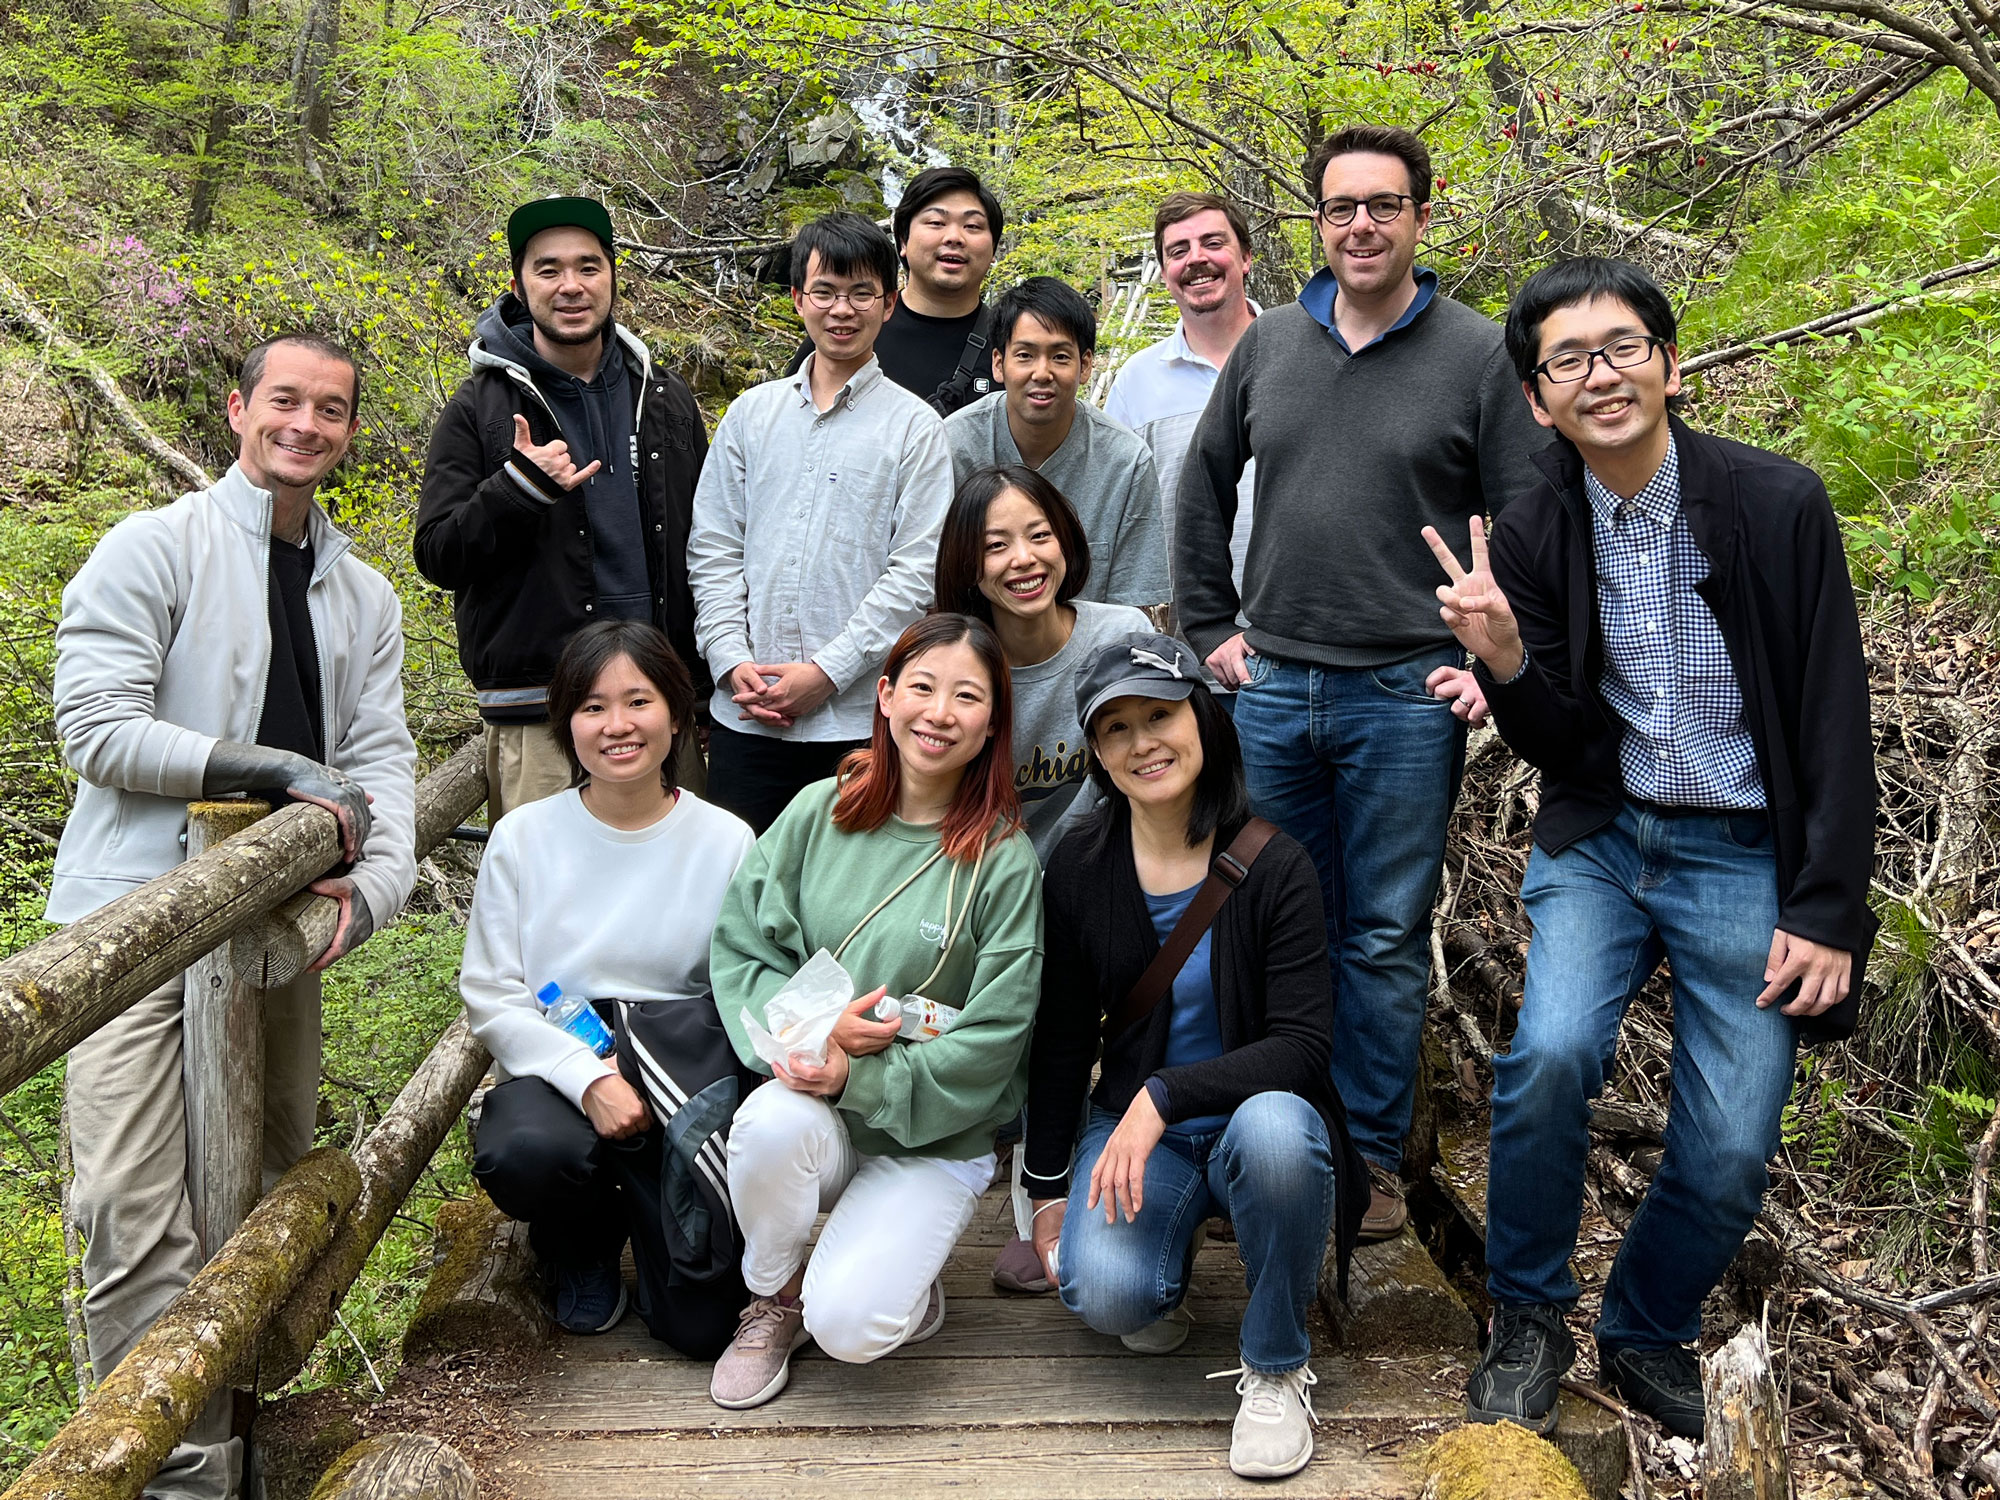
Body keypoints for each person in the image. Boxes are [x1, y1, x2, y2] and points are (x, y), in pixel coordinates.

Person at [1429, 257, 1877, 1439]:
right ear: (1536, 400)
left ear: (1668, 365)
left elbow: (1830, 711)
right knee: (1548, 1059)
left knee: (1729, 1145)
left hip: (1743, 850)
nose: (1599, 375)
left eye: (1621, 347)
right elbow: (1562, 743)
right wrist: (1504, 658)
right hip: (1604, 838)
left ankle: (1642, 1325)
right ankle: (1527, 1314)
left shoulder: (1774, 504)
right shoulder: (1534, 528)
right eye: (1567, 360)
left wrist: (1827, 907)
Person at [51, 334, 417, 1500]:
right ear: (237, 409)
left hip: (274, 936)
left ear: (349, 430)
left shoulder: (361, 595)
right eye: (285, 401)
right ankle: (174, 1478)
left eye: (331, 409)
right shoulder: (153, 547)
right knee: (128, 1205)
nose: (305, 424)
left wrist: (374, 888)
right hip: (127, 927)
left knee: (260, 1189)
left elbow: (382, 761)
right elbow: (96, 726)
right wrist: (270, 768)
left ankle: (247, 1444)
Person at [1175, 125, 1546, 1239]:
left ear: (1422, 218)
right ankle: (1266, 1140)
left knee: (1382, 934)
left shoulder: (1478, 354)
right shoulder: (1269, 343)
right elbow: (1201, 484)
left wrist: (1494, 660)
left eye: (1384, 205)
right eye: (1340, 208)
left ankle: (1367, 1157)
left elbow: (1531, 520)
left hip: (1405, 694)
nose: (1361, 226)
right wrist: (1208, 625)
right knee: (1268, 920)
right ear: (1317, 223)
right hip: (1273, 687)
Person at [1022, 633, 1367, 1481]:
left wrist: (1166, 1094)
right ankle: (1162, 1270)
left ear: (1203, 721)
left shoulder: (1275, 863)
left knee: (1278, 1132)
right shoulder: (1080, 866)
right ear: (1097, 753)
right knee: (1106, 1294)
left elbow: (1302, 1047)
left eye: (1161, 716)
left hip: (1254, 1120)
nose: (1143, 743)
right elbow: (1063, 1034)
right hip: (1148, 1138)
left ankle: (1277, 1365)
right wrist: (1045, 1188)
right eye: (1116, 728)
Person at [706, 612, 1044, 1409]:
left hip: (936, 1137)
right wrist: (817, 1035)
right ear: (885, 696)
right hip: (814, 1114)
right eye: (922, 687)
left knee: (852, 1328)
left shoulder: (1004, 863)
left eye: (967, 697)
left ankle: (894, 1284)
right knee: (767, 1125)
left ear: (993, 722)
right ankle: (775, 1294)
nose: (940, 713)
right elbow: (745, 948)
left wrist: (855, 1075)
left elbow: (996, 1038)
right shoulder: (817, 811)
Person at [462, 619, 757, 1350]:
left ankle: (659, 1238)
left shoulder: (726, 839)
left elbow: (743, 985)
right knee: (528, 1152)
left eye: (638, 701)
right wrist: (588, 1078)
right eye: (593, 707)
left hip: (681, 1064)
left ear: (677, 714)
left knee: (703, 1329)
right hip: (563, 1056)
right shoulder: (524, 836)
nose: (617, 725)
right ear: (566, 723)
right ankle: (579, 1245)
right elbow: (493, 993)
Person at [416, 195, 710, 820]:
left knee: (682, 878)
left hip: (661, 706)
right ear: (519, 287)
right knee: (548, 881)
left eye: (588, 266)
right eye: (548, 270)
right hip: (539, 715)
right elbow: (438, 553)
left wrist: (705, 690)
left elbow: (706, 546)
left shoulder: (665, 398)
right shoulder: (479, 408)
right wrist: (516, 488)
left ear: (612, 277)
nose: (570, 285)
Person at [688, 211, 955, 834]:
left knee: (848, 884)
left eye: (861, 293)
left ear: (889, 303)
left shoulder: (916, 429)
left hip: (857, 724)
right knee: (744, 880)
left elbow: (916, 574)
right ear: (797, 299)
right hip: (743, 718)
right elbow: (714, 549)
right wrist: (729, 660)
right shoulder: (750, 416)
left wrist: (827, 673)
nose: (842, 310)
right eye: (825, 291)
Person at [932, 464, 1150, 860]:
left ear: (1064, 540)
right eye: (995, 546)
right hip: (986, 874)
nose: (1024, 558)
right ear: (967, 563)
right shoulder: (951, 668)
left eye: (1040, 536)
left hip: (1107, 865)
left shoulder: (1123, 637)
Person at [945, 277, 1170, 610]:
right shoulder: (954, 445)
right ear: (998, 364)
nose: (1042, 373)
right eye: (1025, 355)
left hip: (1095, 644)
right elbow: (930, 585)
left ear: (1086, 366)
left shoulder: (1126, 462)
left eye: (1060, 357)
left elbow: (1136, 606)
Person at [1103, 192, 1258, 624]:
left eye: (1213, 242)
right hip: (1184, 640)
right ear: (1164, 272)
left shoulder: (1299, 356)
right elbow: (1116, 513)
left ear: (1246, 257)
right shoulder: (1135, 382)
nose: (1196, 259)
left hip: (1297, 636)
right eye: (1178, 251)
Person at [786, 165, 1006, 414]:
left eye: (973, 226)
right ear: (902, 240)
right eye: (936, 222)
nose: (954, 237)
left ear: (994, 249)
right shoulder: (851, 326)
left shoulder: (1012, 342)